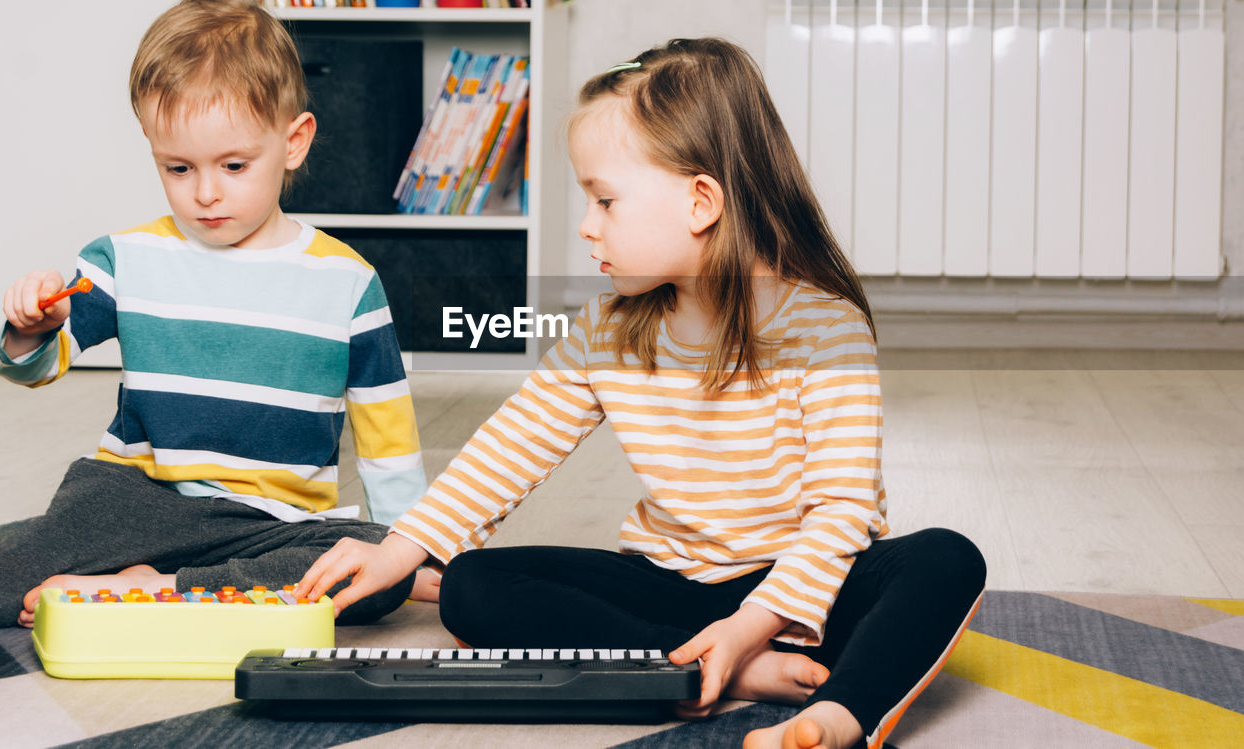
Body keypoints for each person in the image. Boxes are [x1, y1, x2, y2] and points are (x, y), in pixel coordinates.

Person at [295, 38, 986, 749]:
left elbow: (840, 512)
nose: (588, 226)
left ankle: (841, 711)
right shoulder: (608, 330)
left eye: (605, 199)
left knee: (946, 559)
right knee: (472, 583)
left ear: (701, 201)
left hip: (805, 589)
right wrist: (400, 548)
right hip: (674, 585)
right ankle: (710, 668)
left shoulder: (826, 328)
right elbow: (511, 447)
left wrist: (752, 623)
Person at [0, 0, 430, 634]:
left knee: (375, 571)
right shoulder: (125, 258)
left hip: (270, 527)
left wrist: (411, 548)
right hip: (133, 504)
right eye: (177, 168)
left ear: (293, 141)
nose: (205, 193)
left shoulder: (347, 283)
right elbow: (38, 365)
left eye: (234, 164)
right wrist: (28, 330)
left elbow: (389, 442)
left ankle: (152, 590)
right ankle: (143, 584)